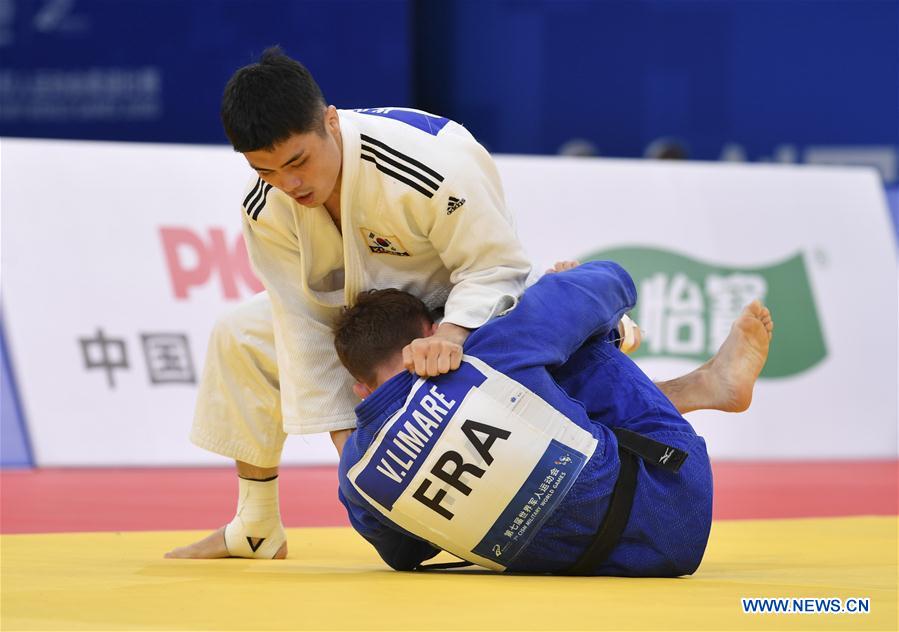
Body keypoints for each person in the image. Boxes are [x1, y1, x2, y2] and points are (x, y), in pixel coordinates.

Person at [166, 48, 765, 561]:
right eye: (266, 170)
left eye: (298, 161)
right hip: (372, 317)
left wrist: (451, 334)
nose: (289, 184)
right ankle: (256, 527)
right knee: (242, 333)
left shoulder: (430, 161)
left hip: (461, 300)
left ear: (330, 122)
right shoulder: (265, 206)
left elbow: (493, 265)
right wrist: (362, 463)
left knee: (515, 375)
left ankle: (623, 345)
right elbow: (303, 326)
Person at [334, 261, 773, 574]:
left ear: (362, 390)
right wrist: (552, 287)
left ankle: (699, 385)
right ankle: (700, 383)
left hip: (576, 567)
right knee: (559, 339)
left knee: (530, 390)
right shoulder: (488, 352)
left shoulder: (355, 474)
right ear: (435, 332)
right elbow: (614, 280)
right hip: (675, 504)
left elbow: (404, 554)